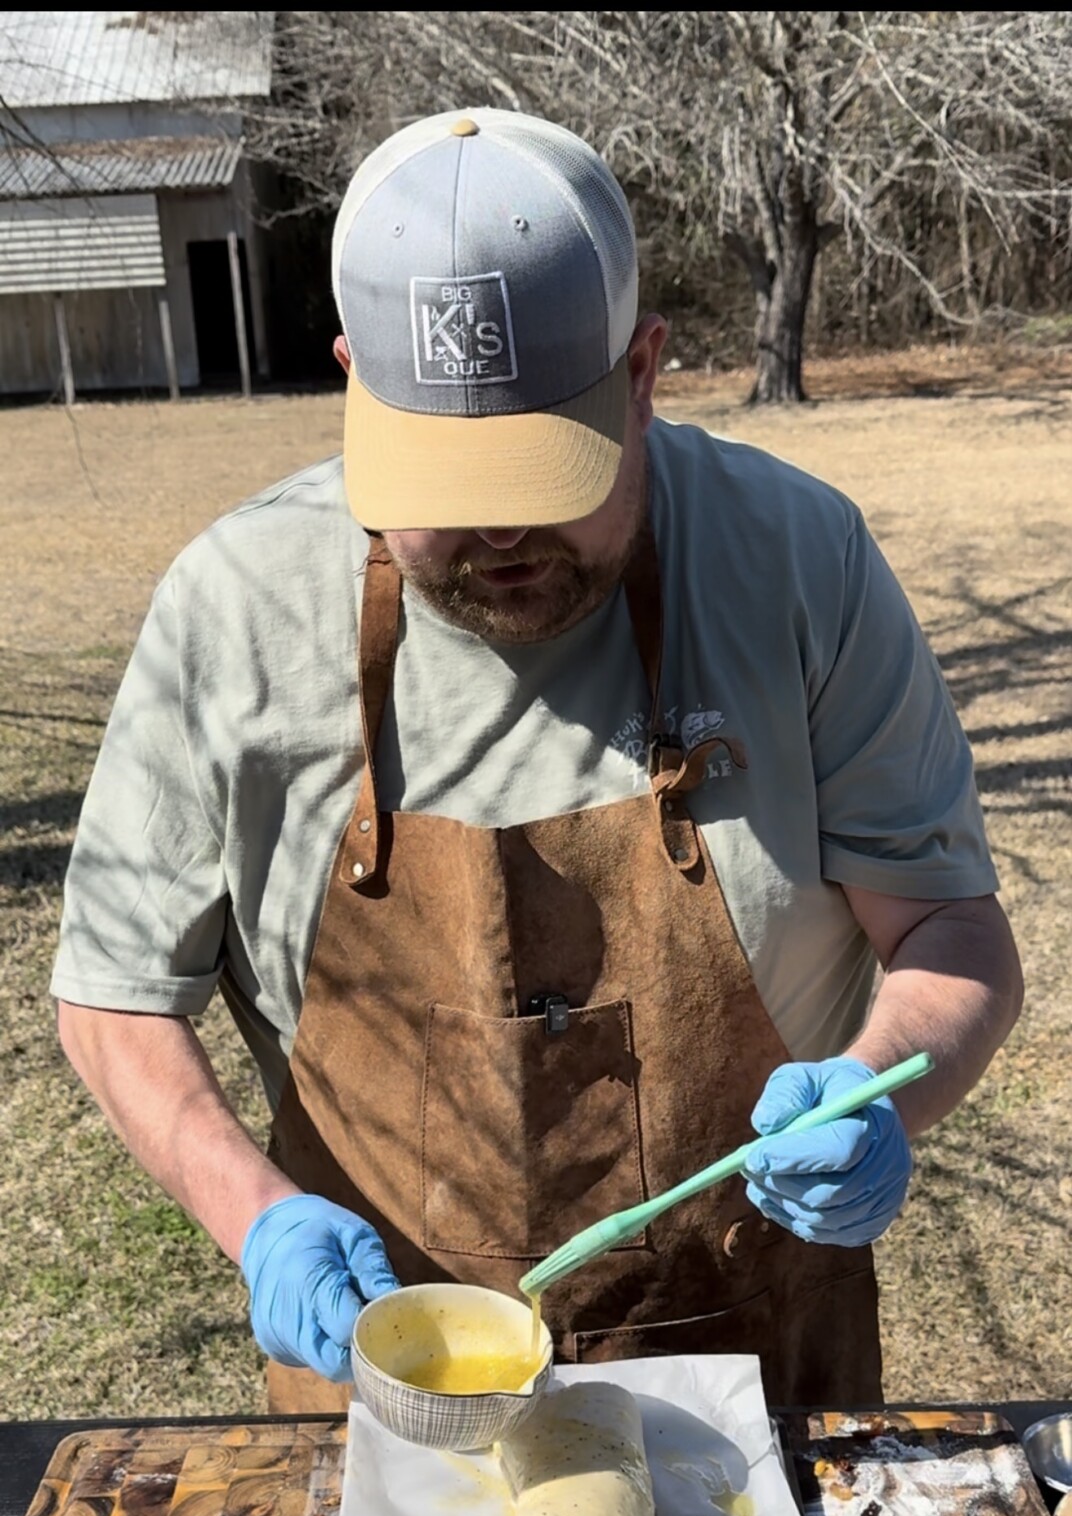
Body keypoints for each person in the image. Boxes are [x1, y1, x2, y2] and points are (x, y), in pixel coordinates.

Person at [52, 108, 1023, 1414]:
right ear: (352, 375)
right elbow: (113, 994)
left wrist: (877, 1092)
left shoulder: (800, 565)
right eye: (449, 471)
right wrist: (256, 1215)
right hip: (387, 1396)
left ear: (643, 369)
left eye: (545, 464)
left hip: (751, 1377)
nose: (502, 525)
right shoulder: (233, 611)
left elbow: (953, 929)